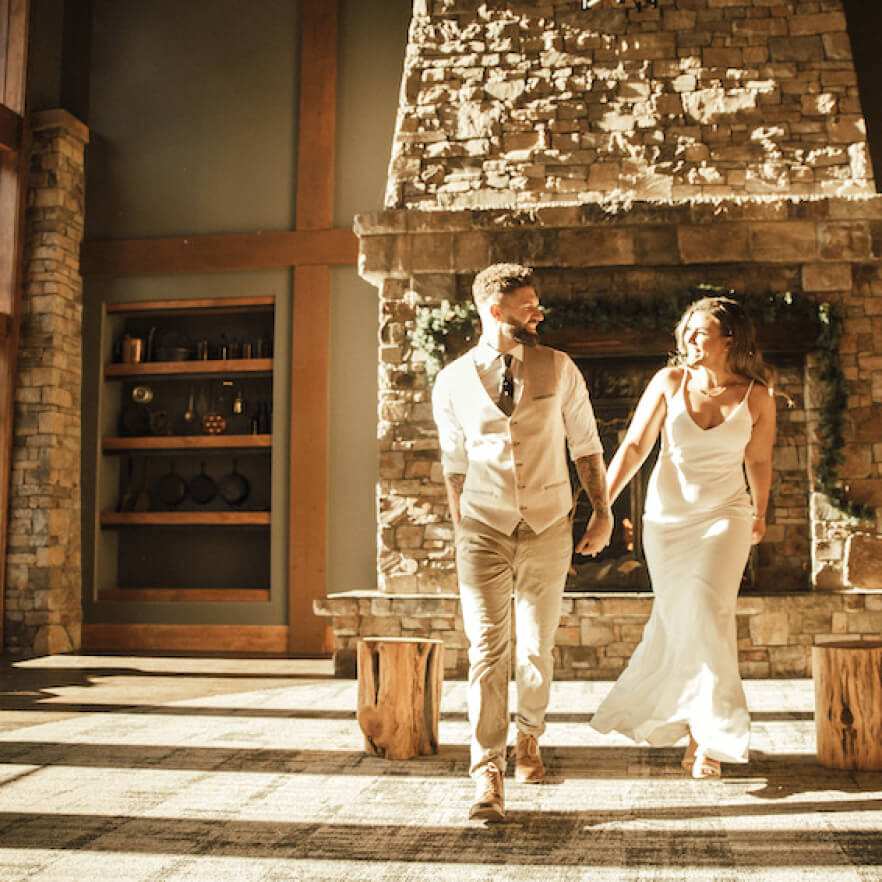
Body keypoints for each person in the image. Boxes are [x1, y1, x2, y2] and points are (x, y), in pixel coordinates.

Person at [432, 263, 612, 821]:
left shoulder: (559, 367)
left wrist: (602, 513)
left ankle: (528, 736)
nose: (539, 312)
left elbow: (586, 446)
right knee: (488, 650)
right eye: (529, 304)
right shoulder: (452, 381)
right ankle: (487, 771)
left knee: (535, 647)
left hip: (548, 526)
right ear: (495, 310)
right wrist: (462, 525)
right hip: (482, 529)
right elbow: (455, 466)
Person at [590, 295, 777, 778]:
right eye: (686, 331)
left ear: (728, 340)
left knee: (708, 613)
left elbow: (758, 460)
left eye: (701, 332)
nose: (689, 339)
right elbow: (633, 446)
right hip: (668, 521)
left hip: (726, 516)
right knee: (682, 619)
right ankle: (696, 724)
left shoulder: (756, 395)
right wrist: (602, 506)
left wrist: (760, 512)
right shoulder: (670, 381)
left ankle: (707, 740)